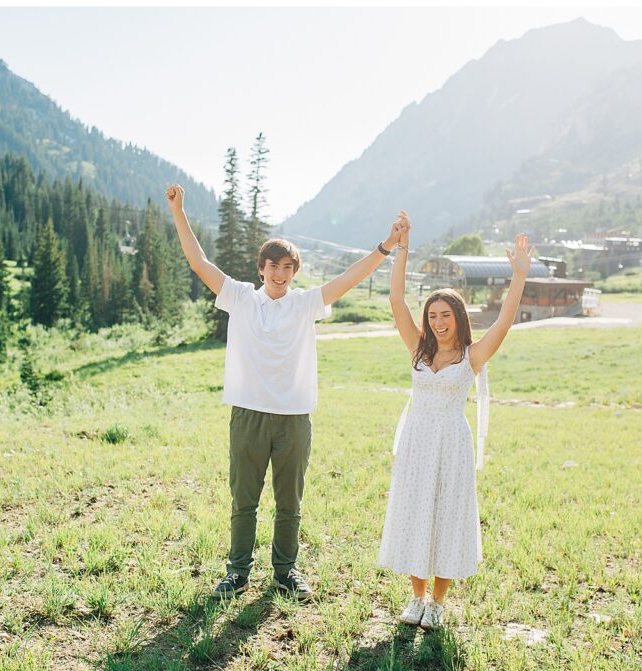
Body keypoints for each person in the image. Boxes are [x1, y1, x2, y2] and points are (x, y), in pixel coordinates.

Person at [165, 183, 406, 600]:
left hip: (294, 417)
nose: (279, 275)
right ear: (261, 269)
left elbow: (349, 277)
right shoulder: (239, 298)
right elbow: (199, 261)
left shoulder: (305, 304)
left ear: (294, 273)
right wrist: (178, 212)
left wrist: (386, 246)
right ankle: (237, 573)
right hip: (248, 416)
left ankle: (285, 572)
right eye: (273, 267)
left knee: (289, 503)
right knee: (244, 501)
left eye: (287, 269)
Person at [379, 227, 533, 629]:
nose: (438, 322)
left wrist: (518, 275)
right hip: (417, 441)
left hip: (451, 441)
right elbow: (396, 300)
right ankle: (416, 598)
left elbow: (503, 322)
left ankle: (438, 602)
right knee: (416, 512)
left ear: (458, 318)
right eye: (432, 316)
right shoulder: (418, 347)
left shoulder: (472, 356)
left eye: (445, 315)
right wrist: (403, 248)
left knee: (447, 515)